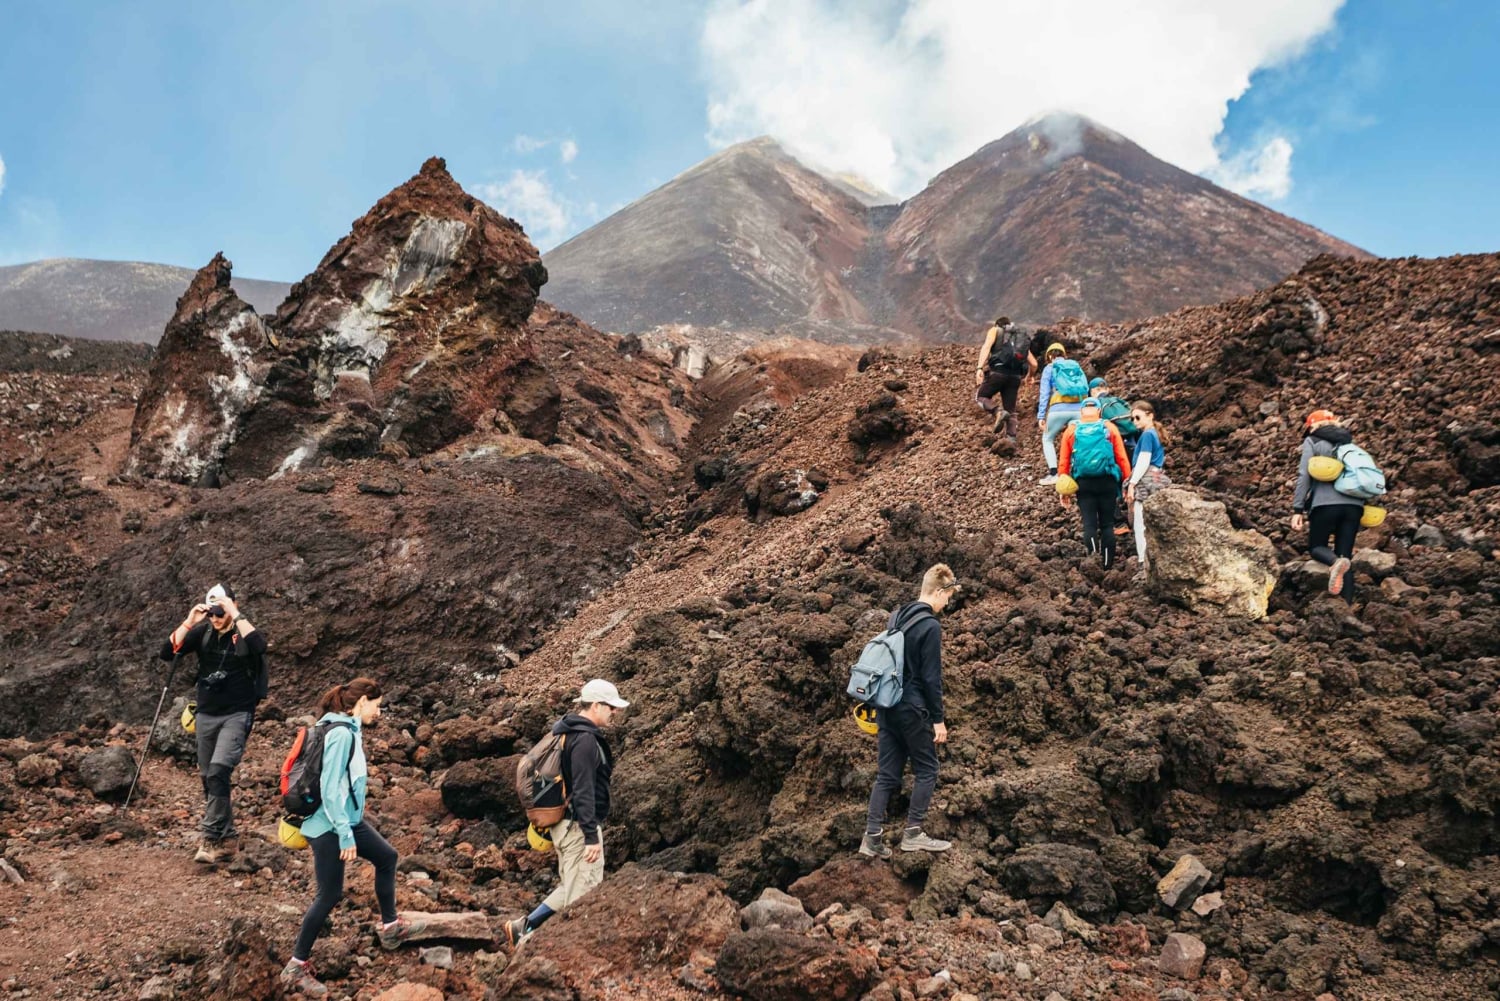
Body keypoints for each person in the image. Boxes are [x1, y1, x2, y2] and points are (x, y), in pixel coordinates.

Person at [281, 677, 426, 997]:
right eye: (377, 705)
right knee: (329, 895)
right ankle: (296, 965)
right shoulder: (343, 734)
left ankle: (390, 928)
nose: (379, 712)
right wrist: (346, 835)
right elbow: (331, 789)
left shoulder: (341, 727)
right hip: (330, 825)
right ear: (362, 702)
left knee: (387, 857)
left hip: (345, 819)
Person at [504, 678, 629, 948]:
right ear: (595, 705)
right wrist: (591, 836)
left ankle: (525, 926)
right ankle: (534, 949)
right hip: (577, 827)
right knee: (583, 894)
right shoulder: (584, 740)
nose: (614, 712)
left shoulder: (565, 731)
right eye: (610, 707)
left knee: (572, 884)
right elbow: (584, 789)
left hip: (565, 825)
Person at [160, 583, 267, 863]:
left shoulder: (242, 632)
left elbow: (260, 645)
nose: (216, 618)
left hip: (237, 713)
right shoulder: (204, 632)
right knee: (210, 780)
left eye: (220, 612)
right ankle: (228, 839)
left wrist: (233, 610)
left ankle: (209, 839)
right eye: (212, 613)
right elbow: (167, 652)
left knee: (219, 771)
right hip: (207, 713)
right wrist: (190, 620)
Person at [859, 564, 959, 859]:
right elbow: (931, 678)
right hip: (912, 708)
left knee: (887, 774)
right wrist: (939, 720)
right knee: (927, 769)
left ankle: (872, 838)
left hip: (886, 704)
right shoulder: (930, 626)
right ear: (938, 592)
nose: (947, 604)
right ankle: (913, 834)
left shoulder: (897, 615)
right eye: (948, 597)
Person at [1292, 409, 1365, 597]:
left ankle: (1333, 563)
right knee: (1345, 556)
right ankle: (1346, 607)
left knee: (1316, 547)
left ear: (1313, 426)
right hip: (1354, 506)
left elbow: (1304, 475)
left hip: (1325, 504)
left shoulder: (1313, 441)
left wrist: (1298, 508)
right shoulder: (1349, 442)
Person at [1058, 398, 1133, 569]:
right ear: (1099, 411)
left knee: (1089, 524)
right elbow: (1121, 458)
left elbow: (1064, 462)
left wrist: (1064, 490)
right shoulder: (1109, 428)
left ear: (1081, 412)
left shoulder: (1072, 430)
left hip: (1083, 483)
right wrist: (1128, 483)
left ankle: (1093, 562)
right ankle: (1106, 566)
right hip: (1107, 481)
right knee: (1107, 525)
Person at [1124, 401, 1170, 580]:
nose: (1134, 421)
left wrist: (1132, 484)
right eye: (1132, 418)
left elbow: (1143, 460)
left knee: (1140, 524)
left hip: (1146, 480)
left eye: (1138, 417)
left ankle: (1144, 566)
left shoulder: (1147, 436)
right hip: (1157, 479)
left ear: (1150, 415)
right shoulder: (1154, 433)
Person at [974, 316, 1036, 440]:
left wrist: (979, 368)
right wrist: (1029, 376)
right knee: (1011, 411)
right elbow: (1034, 364)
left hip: (998, 372)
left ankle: (997, 412)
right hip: (1015, 378)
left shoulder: (995, 330)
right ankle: (1011, 441)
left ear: (998, 324)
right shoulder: (1019, 339)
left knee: (980, 397)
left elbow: (986, 347)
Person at [1035, 343, 1088, 485]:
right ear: (1064, 355)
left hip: (1058, 408)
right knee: (1077, 439)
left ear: (1049, 356)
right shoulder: (1075, 366)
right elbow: (1084, 388)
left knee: (1048, 438)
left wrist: (1041, 416)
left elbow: (1044, 393)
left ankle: (1054, 474)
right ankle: (1079, 472)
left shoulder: (1049, 368)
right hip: (1078, 408)